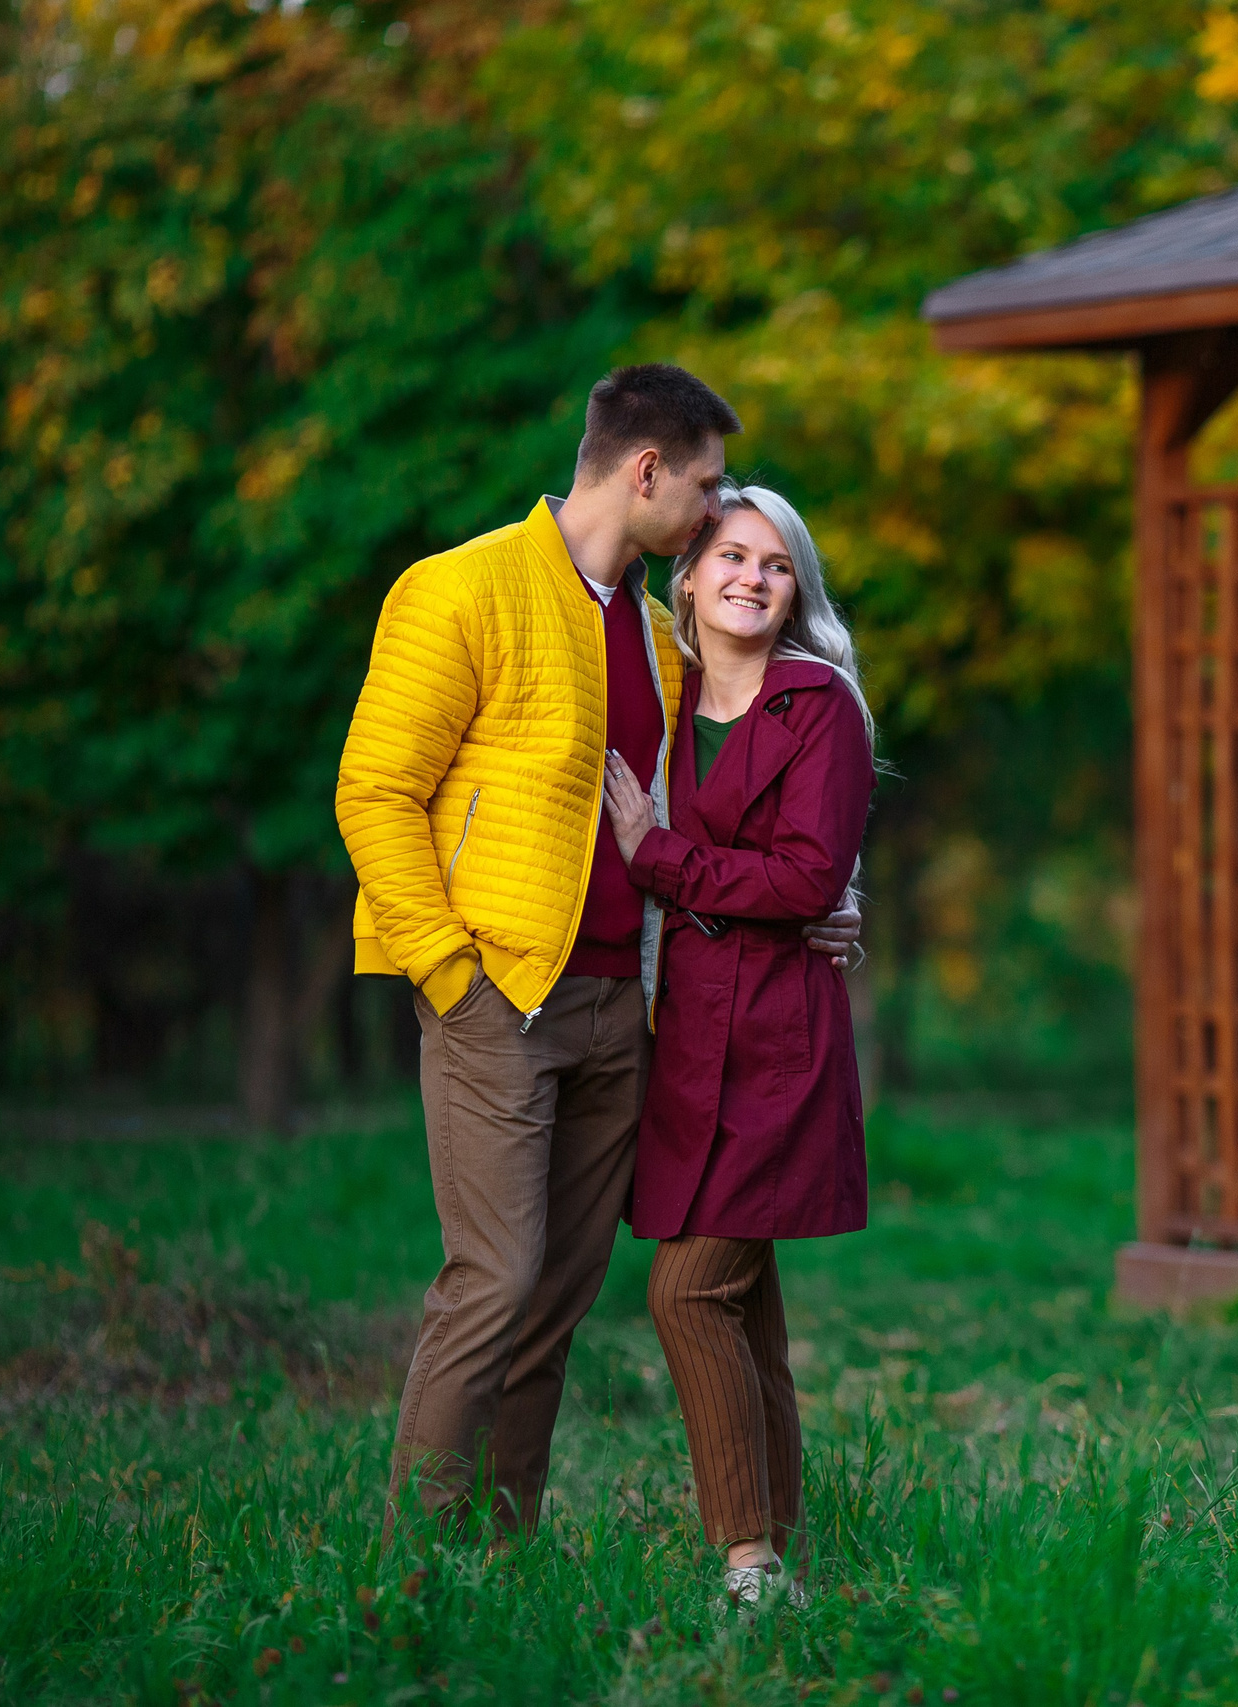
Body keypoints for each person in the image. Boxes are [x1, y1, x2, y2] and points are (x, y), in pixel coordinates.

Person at [335, 365, 862, 1538]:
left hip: (624, 1010)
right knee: (494, 1282)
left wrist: (830, 902)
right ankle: (406, 1568)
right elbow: (375, 791)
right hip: (496, 997)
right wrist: (445, 968)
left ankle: (504, 1556)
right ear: (646, 473)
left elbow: (740, 821)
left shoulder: (658, 633)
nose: (715, 511)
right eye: (707, 487)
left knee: (558, 1298)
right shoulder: (461, 587)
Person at [598, 482, 874, 1611]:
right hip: (683, 1044)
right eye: (729, 556)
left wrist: (656, 855)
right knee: (745, 1311)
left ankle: (747, 1559)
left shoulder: (819, 705)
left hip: (777, 1050)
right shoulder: (661, 705)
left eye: (774, 563)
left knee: (686, 1295)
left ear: (793, 586)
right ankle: (788, 1547)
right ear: (689, 576)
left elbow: (809, 877)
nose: (752, 578)